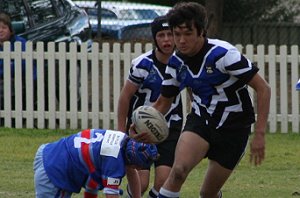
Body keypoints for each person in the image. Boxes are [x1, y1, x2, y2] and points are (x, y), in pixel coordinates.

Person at [146, 2, 271, 198]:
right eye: (176, 34)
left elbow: (263, 89)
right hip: (201, 120)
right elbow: (163, 102)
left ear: (201, 32)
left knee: (207, 193)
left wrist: (260, 134)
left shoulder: (223, 54)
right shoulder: (176, 62)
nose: (181, 40)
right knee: (178, 171)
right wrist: (141, 126)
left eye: (187, 34)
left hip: (234, 128)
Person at [117, 16, 183, 198]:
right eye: (161, 35)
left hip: (170, 129)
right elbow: (125, 97)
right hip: (141, 129)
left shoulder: (183, 63)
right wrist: (121, 132)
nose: (167, 40)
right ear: (155, 39)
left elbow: (194, 93)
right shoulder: (142, 64)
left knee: (163, 182)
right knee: (142, 183)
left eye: (170, 34)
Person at [33, 128, 159, 198]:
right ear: (133, 162)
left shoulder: (123, 139)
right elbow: (111, 195)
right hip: (55, 167)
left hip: (50, 151)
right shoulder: (114, 161)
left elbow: (131, 172)